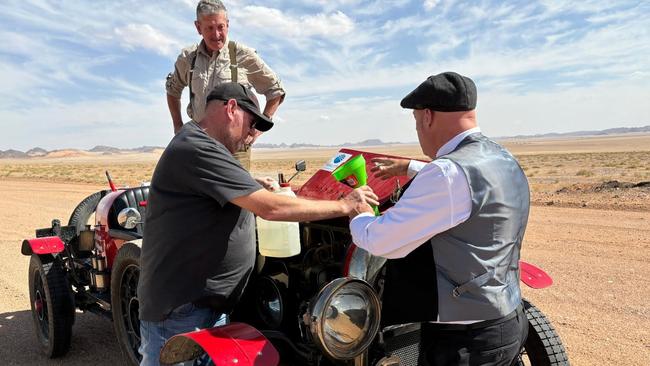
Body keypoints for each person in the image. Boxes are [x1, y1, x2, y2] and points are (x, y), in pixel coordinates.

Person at [138, 82, 377, 366]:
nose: (252, 134)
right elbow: (271, 208)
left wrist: (251, 183)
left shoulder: (201, 144)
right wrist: (345, 205)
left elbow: (213, 187)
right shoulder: (196, 148)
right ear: (231, 109)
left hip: (204, 306)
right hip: (182, 313)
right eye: (252, 123)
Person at [348, 72, 530, 366]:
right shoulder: (498, 156)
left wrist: (360, 212)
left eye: (416, 120)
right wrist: (409, 168)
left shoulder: (448, 173)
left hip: (464, 341)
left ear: (428, 116)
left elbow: (380, 241)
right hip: (506, 318)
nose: (418, 129)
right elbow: (468, 190)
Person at [165, 0, 285, 169]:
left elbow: (276, 91)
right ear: (198, 27)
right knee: (200, 193)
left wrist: (257, 130)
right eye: (209, 28)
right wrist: (178, 127)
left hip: (235, 149)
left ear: (227, 25)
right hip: (199, 145)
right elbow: (172, 90)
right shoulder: (188, 58)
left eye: (220, 27)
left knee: (236, 194)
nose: (216, 34)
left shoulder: (243, 55)